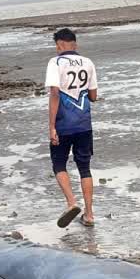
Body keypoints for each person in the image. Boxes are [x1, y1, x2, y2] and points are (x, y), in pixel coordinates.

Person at [45, 28, 99, 228]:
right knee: (84, 168)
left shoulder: (55, 62)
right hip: (84, 123)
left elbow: (54, 93)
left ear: (59, 44)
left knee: (59, 164)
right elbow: (93, 96)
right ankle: (90, 214)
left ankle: (71, 203)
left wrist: (51, 127)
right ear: (74, 44)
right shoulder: (88, 62)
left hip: (63, 123)